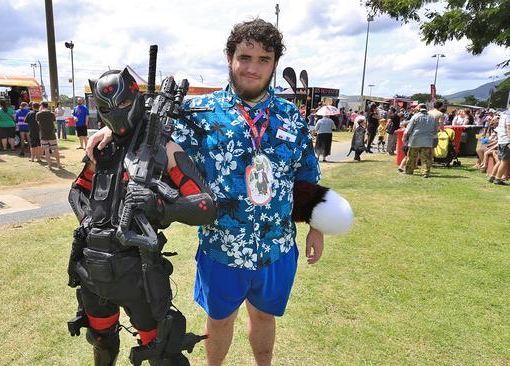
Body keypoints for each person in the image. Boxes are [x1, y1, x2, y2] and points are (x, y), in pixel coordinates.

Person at [87, 18, 355, 366]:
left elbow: (305, 175)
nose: (252, 68)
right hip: (222, 248)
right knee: (219, 321)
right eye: (245, 57)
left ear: (274, 64)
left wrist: (316, 226)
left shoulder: (291, 117)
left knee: (263, 318)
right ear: (230, 58)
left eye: (264, 59)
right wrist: (115, 132)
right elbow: (154, 136)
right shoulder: (201, 112)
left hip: (276, 247)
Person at [67, 68, 218, 365]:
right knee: (101, 343)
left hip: (140, 277)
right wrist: (87, 220)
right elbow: (78, 190)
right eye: (107, 108)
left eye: (123, 104)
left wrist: (161, 207)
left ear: (136, 98)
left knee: (162, 354)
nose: (116, 113)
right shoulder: (103, 146)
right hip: (92, 272)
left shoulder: (165, 149)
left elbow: (207, 206)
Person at [403, 104, 439, 178]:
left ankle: (409, 171)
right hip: (427, 140)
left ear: (419, 109)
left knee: (412, 157)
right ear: (426, 109)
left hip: (415, 140)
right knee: (426, 158)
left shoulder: (415, 116)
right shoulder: (432, 117)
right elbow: (435, 130)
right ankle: (425, 172)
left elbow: (409, 128)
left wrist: (405, 136)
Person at [36, 102, 62, 169]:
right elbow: (54, 123)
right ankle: (59, 165)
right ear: (47, 106)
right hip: (52, 134)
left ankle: (49, 165)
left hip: (43, 134)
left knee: (46, 150)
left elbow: (38, 123)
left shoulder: (38, 114)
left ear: (41, 106)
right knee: (55, 149)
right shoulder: (52, 114)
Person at [488, 110, 510, 185]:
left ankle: (492, 176)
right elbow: (508, 129)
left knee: (500, 161)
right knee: (504, 161)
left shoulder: (504, 113)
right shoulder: (509, 115)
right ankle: (498, 179)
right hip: (506, 141)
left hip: (501, 140)